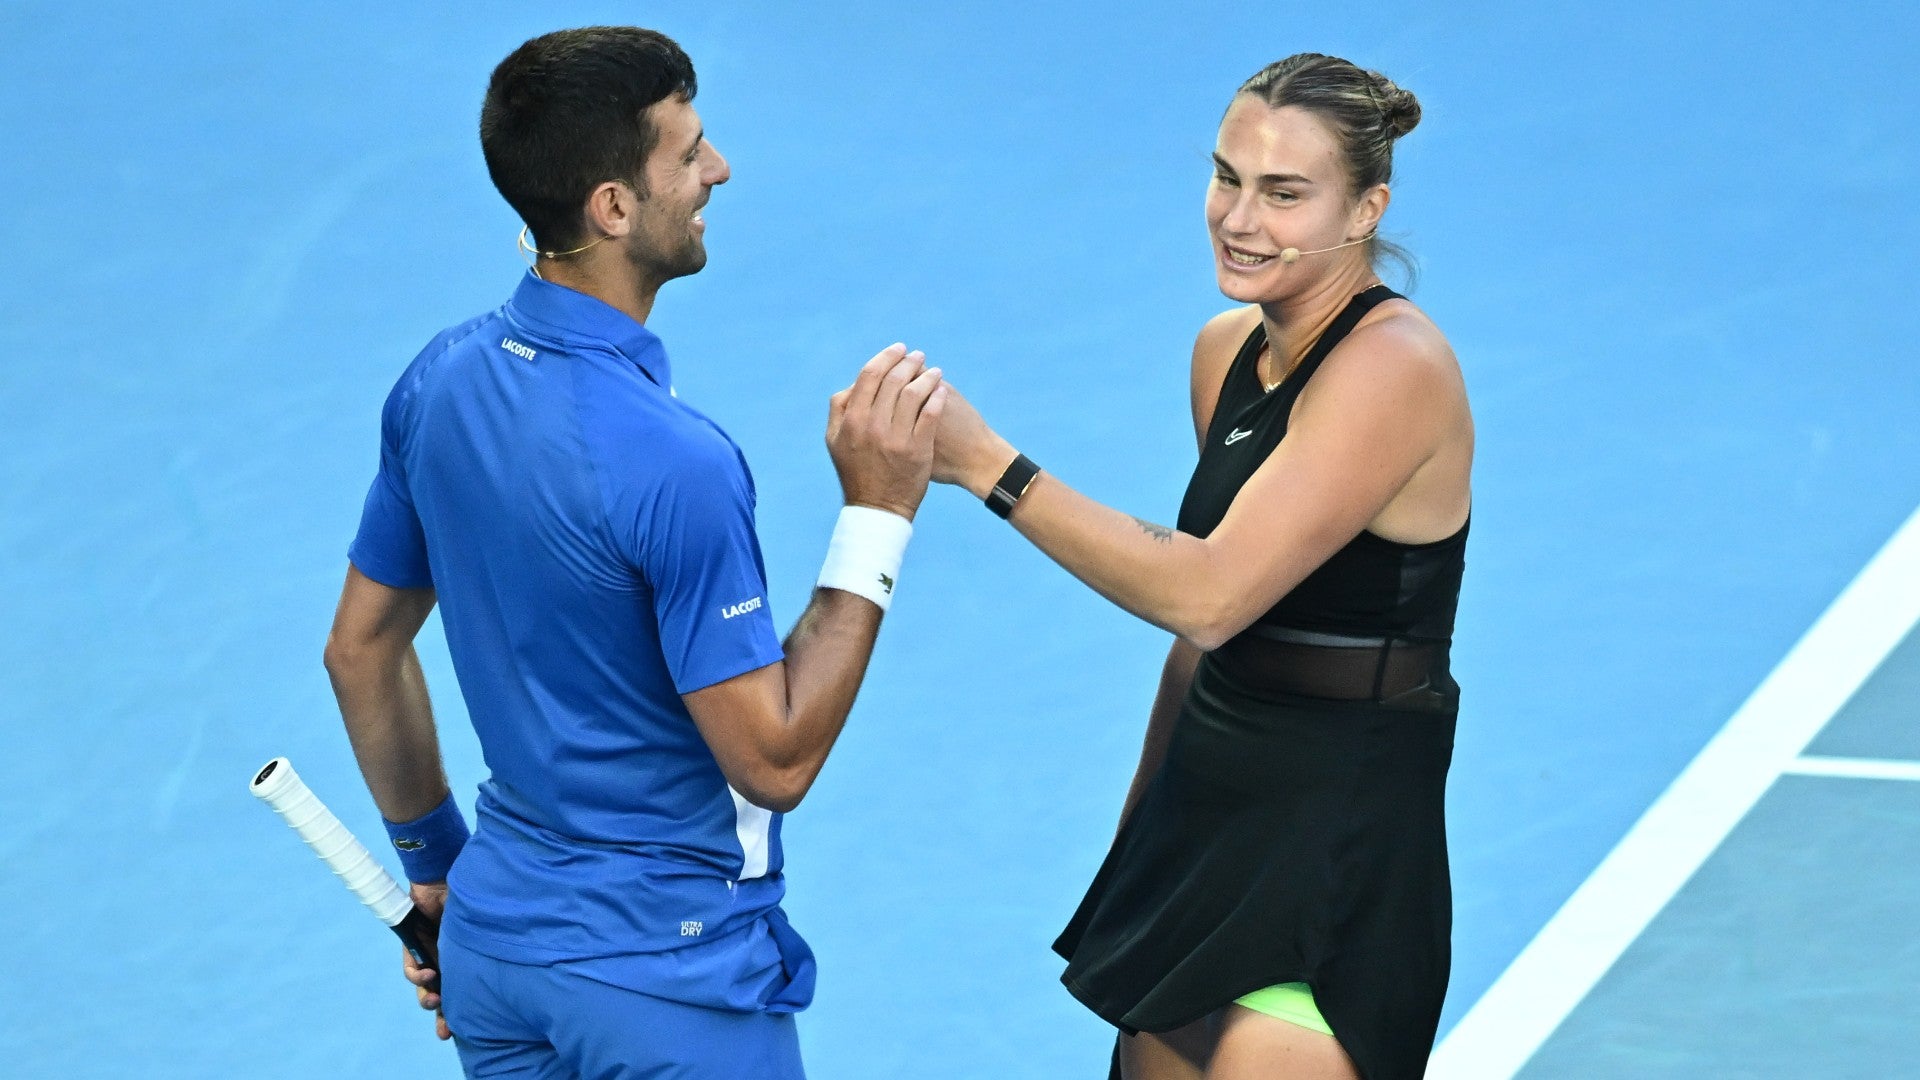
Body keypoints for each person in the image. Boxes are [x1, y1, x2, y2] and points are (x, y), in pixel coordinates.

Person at [320, 26, 945, 1079]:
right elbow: (775, 758)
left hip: (498, 960)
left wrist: (435, 873)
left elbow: (360, 651)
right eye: (689, 153)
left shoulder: (437, 386)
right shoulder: (678, 464)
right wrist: (878, 513)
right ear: (612, 207)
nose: (718, 170)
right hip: (669, 988)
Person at [929, 54, 1471, 1080]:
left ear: (1367, 208)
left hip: (1336, 856)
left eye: (1285, 194)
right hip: (1205, 830)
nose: (1240, 219)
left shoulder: (1396, 368)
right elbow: (1208, 640)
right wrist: (1143, 832)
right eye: (1228, 178)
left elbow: (1212, 593)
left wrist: (988, 467)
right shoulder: (1223, 352)